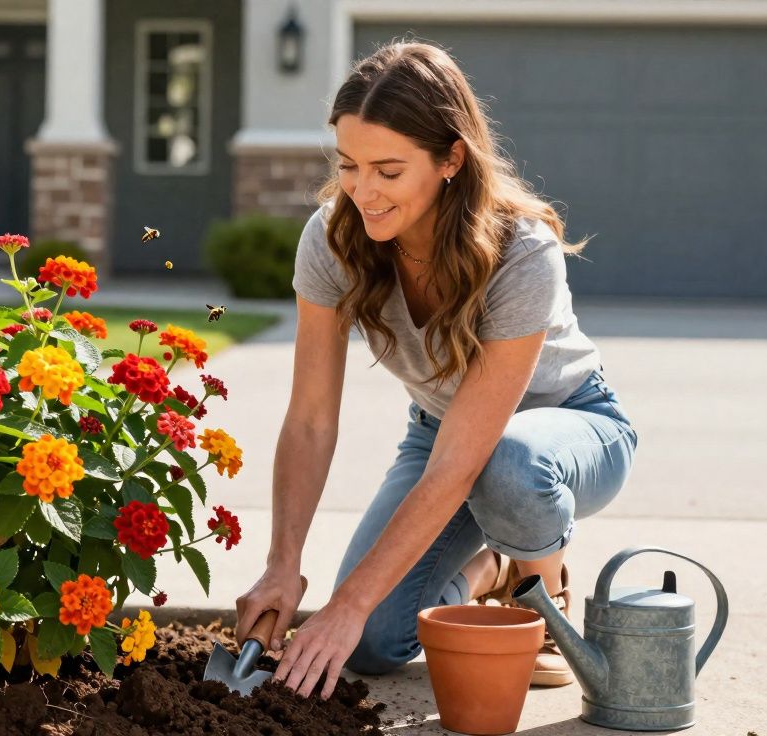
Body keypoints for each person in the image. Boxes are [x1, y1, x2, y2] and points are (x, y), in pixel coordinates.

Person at [233, 40, 638, 700]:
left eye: (388, 171)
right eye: (348, 166)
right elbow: (310, 419)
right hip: (441, 433)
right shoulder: (332, 240)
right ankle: (491, 572)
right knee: (369, 641)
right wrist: (285, 566)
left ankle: (544, 590)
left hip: (568, 429)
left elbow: (467, 461)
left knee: (509, 466)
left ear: (451, 158)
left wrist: (346, 602)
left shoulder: (520, 252)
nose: (362, 190)